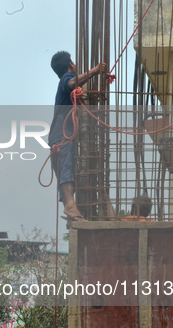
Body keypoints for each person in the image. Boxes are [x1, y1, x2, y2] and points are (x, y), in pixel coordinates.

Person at [49, 51, 106, 222]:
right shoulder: (66, 78)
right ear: (71, 65)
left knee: (65, 169)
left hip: (59, 134)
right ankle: (70, 207)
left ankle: (70, 207)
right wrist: (94, 71)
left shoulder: (63, 82)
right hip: (62, 134)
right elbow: (72, 82)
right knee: (65, 168)